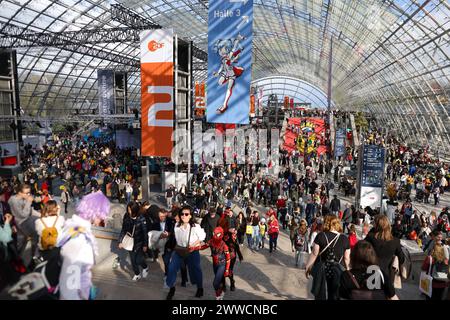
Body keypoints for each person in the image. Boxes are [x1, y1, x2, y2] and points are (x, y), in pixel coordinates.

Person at [58, 191, 109, 300]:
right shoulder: (80, 239)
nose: (103, 218)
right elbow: (69, 287)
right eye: (103, 214)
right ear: (97, 212)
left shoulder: (73, 227)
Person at [305, 215, 351, 300]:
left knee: (320, 292)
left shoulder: (321, 236)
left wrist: (308, 266)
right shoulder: (344, 238)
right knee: (334, 293)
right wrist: (348, 271)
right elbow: (346, 258)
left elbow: (314, 254)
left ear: (326, 223)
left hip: (322, 269)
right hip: (337, 270)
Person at [166, 206, 206, 300]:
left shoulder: (195, 226)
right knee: (171, 268)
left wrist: (194, 244)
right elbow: (175, 238)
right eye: (182, 214)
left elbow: (202, 236)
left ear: (190, 216)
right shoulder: (177, 225)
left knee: (196, 269)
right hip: (179, 250)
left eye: (186, 214)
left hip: (192, 251)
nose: (184, 216)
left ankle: (200, 288)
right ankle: (171, 289)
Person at [365, 215, 405, 287]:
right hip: (386, 276)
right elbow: (402, 259)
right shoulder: (395, 241)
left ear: (377, 225)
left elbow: (361, 249)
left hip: (370, 273)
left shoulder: (370, 237)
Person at [195, 227, 230, 300]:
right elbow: (203, 247)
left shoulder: (224, 245)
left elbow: (228, 258)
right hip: (215, 264)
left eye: (217, 234)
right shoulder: (211, 241)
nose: (215, 235)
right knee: (218, 281)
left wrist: (227, 270)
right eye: (214, 233)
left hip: (222, 265)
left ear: (221, 234)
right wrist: (195, 247)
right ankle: (220, 293)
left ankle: (218, 295)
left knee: (215, 283)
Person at [118, 202, 149, 281]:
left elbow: (145, 232)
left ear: (135, 210)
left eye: (130, 210)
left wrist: (145, 245)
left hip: (139, 242)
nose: (129, 211)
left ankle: (145, 267)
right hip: (129, 241)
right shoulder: (126, 216)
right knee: (132, 259)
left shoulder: (141, 218)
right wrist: (120, 241)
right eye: (128, 209)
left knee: (138, 259)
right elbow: (123, 230)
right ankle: (137, 274)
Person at [8, 184, 39, 260]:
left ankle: (33, 256)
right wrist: (28, 202)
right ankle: (17, 259)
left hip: (26, 221)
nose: (28, 195)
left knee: (35, 234)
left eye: (29, 192)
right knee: (21, 243)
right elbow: (23, 215)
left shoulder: (23, 198)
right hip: (19, 223)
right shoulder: (13, 201)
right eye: (26, 193)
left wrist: (42, 215)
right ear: (19, 193)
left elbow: (30, 211)